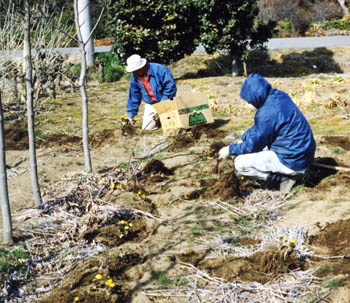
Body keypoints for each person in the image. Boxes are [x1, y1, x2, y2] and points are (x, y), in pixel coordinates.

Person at [218, 73, 316, 192]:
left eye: (250, 100)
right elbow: (261, 128)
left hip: (293, 160)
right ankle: (289, 172)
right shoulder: (279, 96)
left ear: (255, 96)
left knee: (240, 163)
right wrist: (244, 138)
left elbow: (254, 145)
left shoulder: (266, 113)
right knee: (253, 147)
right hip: (304, 152)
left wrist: (230, 150)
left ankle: (281, 179)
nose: (250, 103)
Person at [125, 54, 177, 130]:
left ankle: (165, 117)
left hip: (165, 100)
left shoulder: (160, 69)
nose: (134, 72)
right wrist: (130, 116)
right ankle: (158, 120)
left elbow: (170, 86)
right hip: (150, 104)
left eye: (135, 70)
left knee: (173, 126)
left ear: (142, 67)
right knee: (148, 128)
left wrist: (162, 103)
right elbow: (134, 95)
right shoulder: (134, 76)